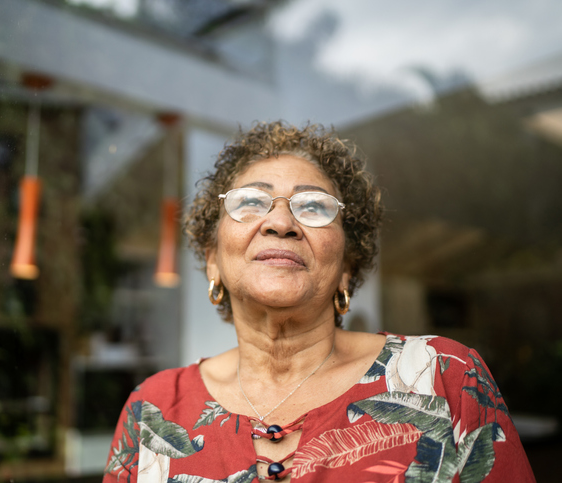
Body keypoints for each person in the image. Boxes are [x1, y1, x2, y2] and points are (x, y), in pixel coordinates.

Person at [103, 122, 535, 482]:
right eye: (251, 202)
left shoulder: (443, 376)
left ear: (347, 267)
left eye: (313, 207)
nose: (280, 222)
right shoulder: (154, 408)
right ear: (212, 260)